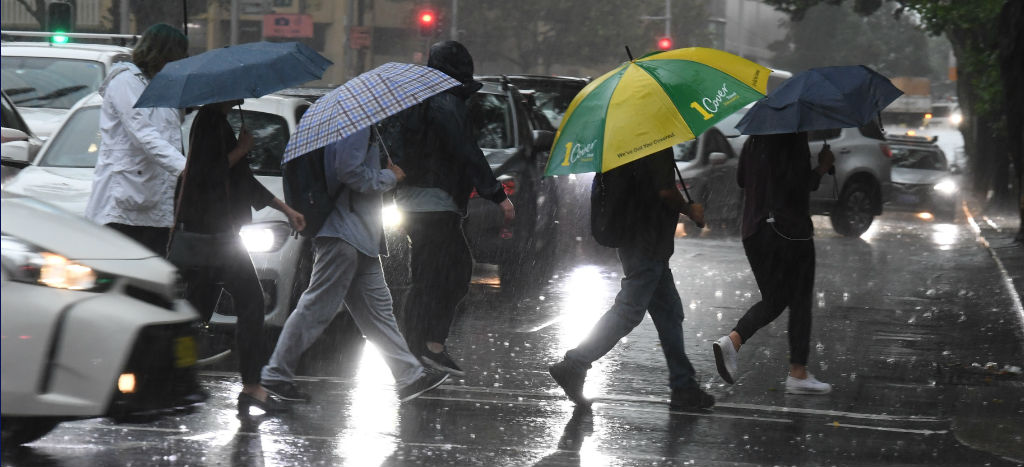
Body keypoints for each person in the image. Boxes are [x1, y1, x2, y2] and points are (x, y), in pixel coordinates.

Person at [261, 127, 449, 403]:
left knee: (378, 312)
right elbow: (348, 172)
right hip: (343, 234)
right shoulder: (356, 126)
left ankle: (410, 376)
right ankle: (275, 375)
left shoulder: (361, 125)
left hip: (360, 236)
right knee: (315, 308)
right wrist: (389, 177)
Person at [548, 148, 714, 410]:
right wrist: (689, 209)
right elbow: (665, 191)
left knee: (669, 312)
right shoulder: (655, 142)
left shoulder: (629, 142)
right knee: (629, 310)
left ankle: (684, 387)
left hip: (637, 238)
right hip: (647, 240)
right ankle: (575, 363)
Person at [174, 99, 306, 414]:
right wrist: (242, 149)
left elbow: (241, 181)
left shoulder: (219, 122)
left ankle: (176, 378)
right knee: (251, 302)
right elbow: (207, 173)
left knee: (194, 312)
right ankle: (251, 386)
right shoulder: (209, 122)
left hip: (216, 234)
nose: (243, 96)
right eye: (237, 91)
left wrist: (285, 209)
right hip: (215, 235)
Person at [393, 40, 514, 376]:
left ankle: (425, 346)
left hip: (417, 202)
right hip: (434, 202)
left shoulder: (418, 98)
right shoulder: (445, 100)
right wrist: (496, 194)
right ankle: (423, 347)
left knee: (436, 274)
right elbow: (465, 149)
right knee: (446, 273)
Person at [711, 132, 834, 394]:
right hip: (788, 230)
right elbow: (799, 185)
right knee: (800, 300)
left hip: (754, 231)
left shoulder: (754, 139)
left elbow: (742, 179)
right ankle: (798, 372)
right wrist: (822, 168)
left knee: (776, 299)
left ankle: (733, 341)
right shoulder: (792, 137)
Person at [85, 23, 189, 255]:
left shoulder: (161, 87)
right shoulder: (126, 82)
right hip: (123, 205)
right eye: (178, 55)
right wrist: (185, 168)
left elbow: (169, 133)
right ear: (164, 54)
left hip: (156, 203)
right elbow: (144, 134)